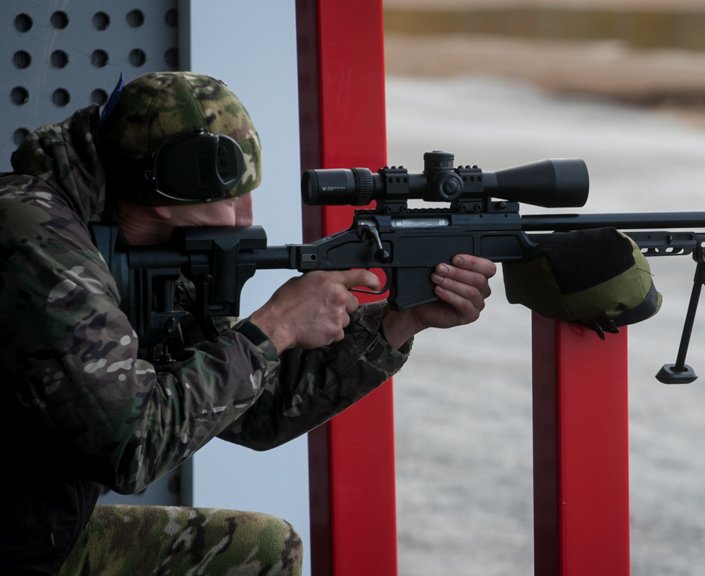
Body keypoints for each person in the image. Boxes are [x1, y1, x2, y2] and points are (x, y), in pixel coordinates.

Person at [0, 71, 497, 575]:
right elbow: (131, 445)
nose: (246, 216)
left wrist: (399, 322)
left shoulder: (130, 237)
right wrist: (275, 325)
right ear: (162, 190)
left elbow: (256, 413)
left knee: (260, 547)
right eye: (231, 192)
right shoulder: (30, 234)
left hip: (40, 539)